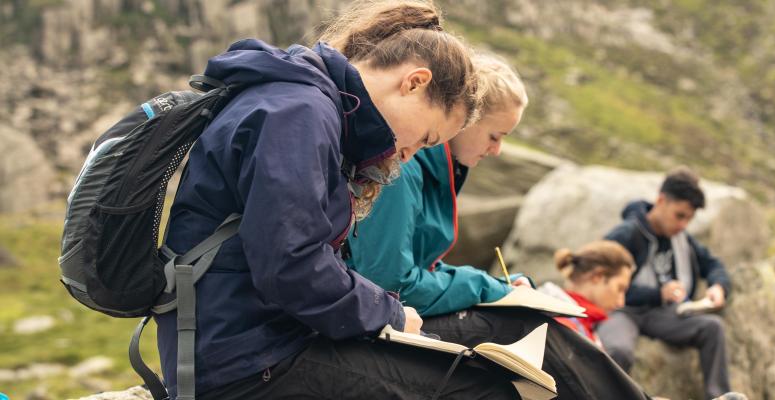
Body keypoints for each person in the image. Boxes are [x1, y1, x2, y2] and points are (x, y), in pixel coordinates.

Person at [155, 1, 522, 399]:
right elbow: (290, 265)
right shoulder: (298, 114)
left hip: (259, 341)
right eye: (426, 138)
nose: (411, 152)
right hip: (242, 362)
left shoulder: (310, 106)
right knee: (483, 387)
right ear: (414, 82)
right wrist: (389, 313)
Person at [346, 52, 653, 400]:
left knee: (528, 335)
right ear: (466, 117)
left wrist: (498, 285)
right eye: (495, 135)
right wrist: (486, 287)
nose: (497, 150)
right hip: (379, 321)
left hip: (400, 312)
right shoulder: (406, 168)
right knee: (526, 327)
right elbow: (389, 280)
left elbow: (417, 266)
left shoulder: (439, 170)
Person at [599, 167, 733, 399]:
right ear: (661, 200)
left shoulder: (682, 239)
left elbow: (713, 265)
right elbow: (601, 282)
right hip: (621, 310)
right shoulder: (626, 234)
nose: (683, 225)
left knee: (713, 328)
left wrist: (718, 287)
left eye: (689, 219)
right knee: (618, 350)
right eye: (679, 215)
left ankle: (719, 396)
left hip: (663, 314)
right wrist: (658, 294)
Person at [537, 240, 635, 349]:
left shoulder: (583, 326)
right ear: (598, 276)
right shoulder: (562, 324)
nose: (621, 302)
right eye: (620, 288)